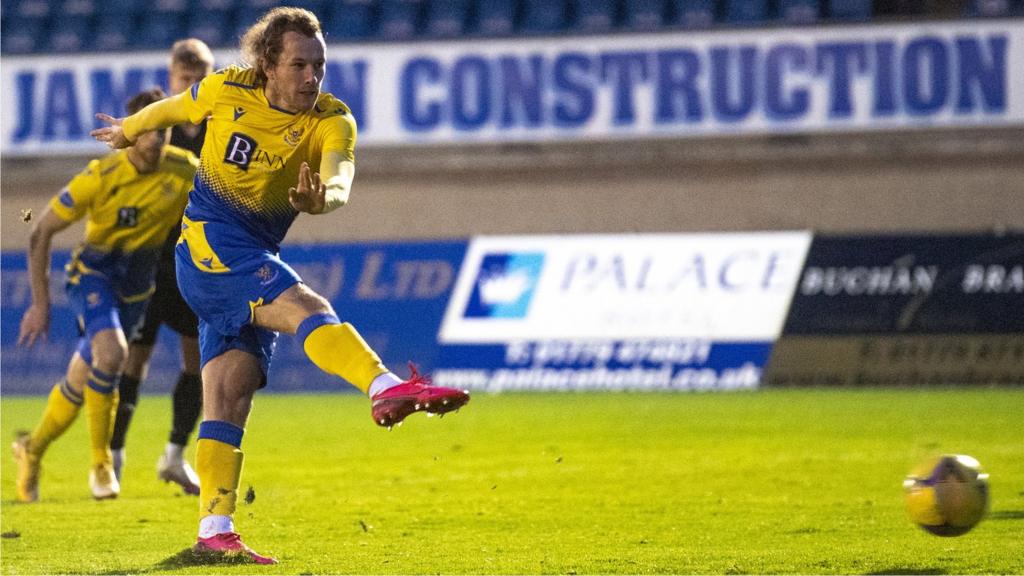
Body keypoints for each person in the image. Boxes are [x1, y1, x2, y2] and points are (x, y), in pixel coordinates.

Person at [91, 7, 470, 564]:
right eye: (299, 65)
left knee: (229, 394)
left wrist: (325, 199)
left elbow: (340, 175)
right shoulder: (226, 89)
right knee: (307, 305)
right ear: (267, 64)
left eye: (319, 65)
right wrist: (129, 130)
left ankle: (214, 532)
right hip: (206, 245)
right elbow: (172, 108)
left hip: (254, 251)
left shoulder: (331, 119)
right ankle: (383, 385)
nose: (312, 77)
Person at [14, 88, 198, 503]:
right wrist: (40, 304)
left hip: (136, 289)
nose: (155, 140)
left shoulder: (185, 171)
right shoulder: (100, 177)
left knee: (82, 379)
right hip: (92, 277)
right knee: (113, 354)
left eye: (162, 131)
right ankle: (102, 464)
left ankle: (32, 449)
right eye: (146, 131)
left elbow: (225, 200)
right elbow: (39, 230)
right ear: (129, 133)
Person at [110, 38, 215, 496]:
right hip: (146, 263)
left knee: (198, 361)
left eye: (199, 78)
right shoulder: (156, 120)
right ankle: (111, 457)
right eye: (184, 78)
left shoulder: (223, 127)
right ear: (171, 77)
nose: (191, 85)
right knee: (135, 358)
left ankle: (174, 455)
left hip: (193, 264)